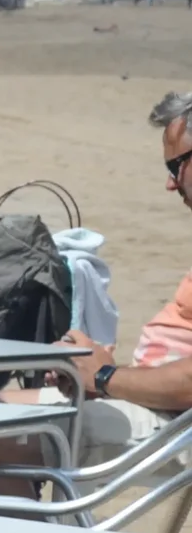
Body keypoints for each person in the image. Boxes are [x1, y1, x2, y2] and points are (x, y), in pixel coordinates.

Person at [52, 91, 192, 459]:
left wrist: (105, 377)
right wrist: (101, 374)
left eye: (175, 166)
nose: (170, 184)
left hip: (178, 424)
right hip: (160, 402)